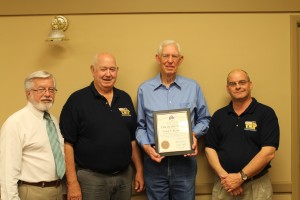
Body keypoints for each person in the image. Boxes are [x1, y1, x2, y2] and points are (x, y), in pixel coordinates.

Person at [59, 53, 144, 200]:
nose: (108, 74)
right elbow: (67, 144)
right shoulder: (77, 100)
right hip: (91, 179)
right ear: (93, 70)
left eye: (112, 69)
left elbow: (132, 140)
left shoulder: (124, 98)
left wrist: (139, 170)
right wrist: (72, 183)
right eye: (103, 69)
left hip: (124, 177)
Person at [135, 40, 211, 200]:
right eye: (166, 56)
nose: (170, 60)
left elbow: (204, 120)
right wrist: (146, 147)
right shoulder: (144, 89)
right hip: (154, 163)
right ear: (158, 58)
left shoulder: (193, 87)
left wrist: (193, 135)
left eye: (174, 56)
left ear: (180, 60)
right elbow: (140, 127)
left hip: (184, 164)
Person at [205, 69, 280, 200]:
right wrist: (227, 179)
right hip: (224, 185)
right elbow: (209, 148)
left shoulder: (266, 113)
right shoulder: (219, 116)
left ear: (250, 85)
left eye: (242, 82)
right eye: (233, 84)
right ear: (227, 88)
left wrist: (240, 177)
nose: (238, 86)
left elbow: (268, 152)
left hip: (256, 186)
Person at [0, 70, 65, 200]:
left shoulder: (52, 120)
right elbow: (7, 171)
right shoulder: (15, 123)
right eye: (41, 89)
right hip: (32, 192)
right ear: (28, 93)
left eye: (51, 90)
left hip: (58, 191)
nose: (48, 94)